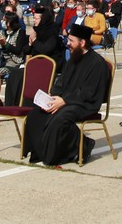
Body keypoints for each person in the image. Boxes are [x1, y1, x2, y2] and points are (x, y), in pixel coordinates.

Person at [22, 24, 111, 166]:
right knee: (35, 114)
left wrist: (64, 101)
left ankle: (83, 145)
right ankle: (39, 152)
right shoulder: (73, 59)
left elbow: (88, 92)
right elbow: (62, 83)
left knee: (60, 118)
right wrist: (52, 95)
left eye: (71, 40)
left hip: (85, 104)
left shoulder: (97, 63)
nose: (67, 43)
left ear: (82, 43)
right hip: (66, 100)